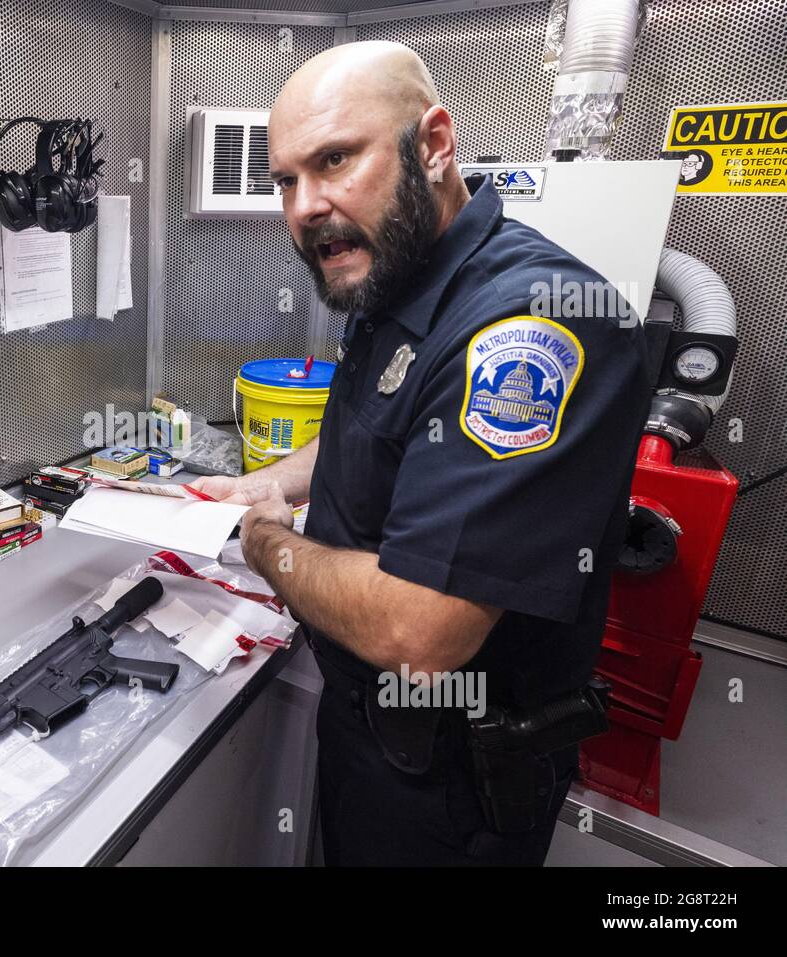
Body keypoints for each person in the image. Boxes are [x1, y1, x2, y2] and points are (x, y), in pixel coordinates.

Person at [190, 41, 651, 865]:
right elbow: (381, 426)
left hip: (451, 778)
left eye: (334, 160)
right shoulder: (399, 274)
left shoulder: (529, 327)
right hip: (371, 729)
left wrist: (268, 543)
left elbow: (419, 630)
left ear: (434, 144)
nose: (303, 206)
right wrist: (264, 482)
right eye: (285, 181)